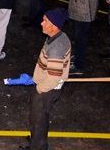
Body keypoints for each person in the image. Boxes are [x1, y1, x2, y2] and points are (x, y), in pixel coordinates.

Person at [22, 8, 71, 150]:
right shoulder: (57, 37)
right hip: (44, 85)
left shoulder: (57, 47)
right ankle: (36, 140)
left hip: (46, 89)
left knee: (39, 120)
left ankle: (37, 146)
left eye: (45, 21)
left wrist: (39, 88)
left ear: (54, 25)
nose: (41, 23)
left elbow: (53, 78)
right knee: (38, 117)